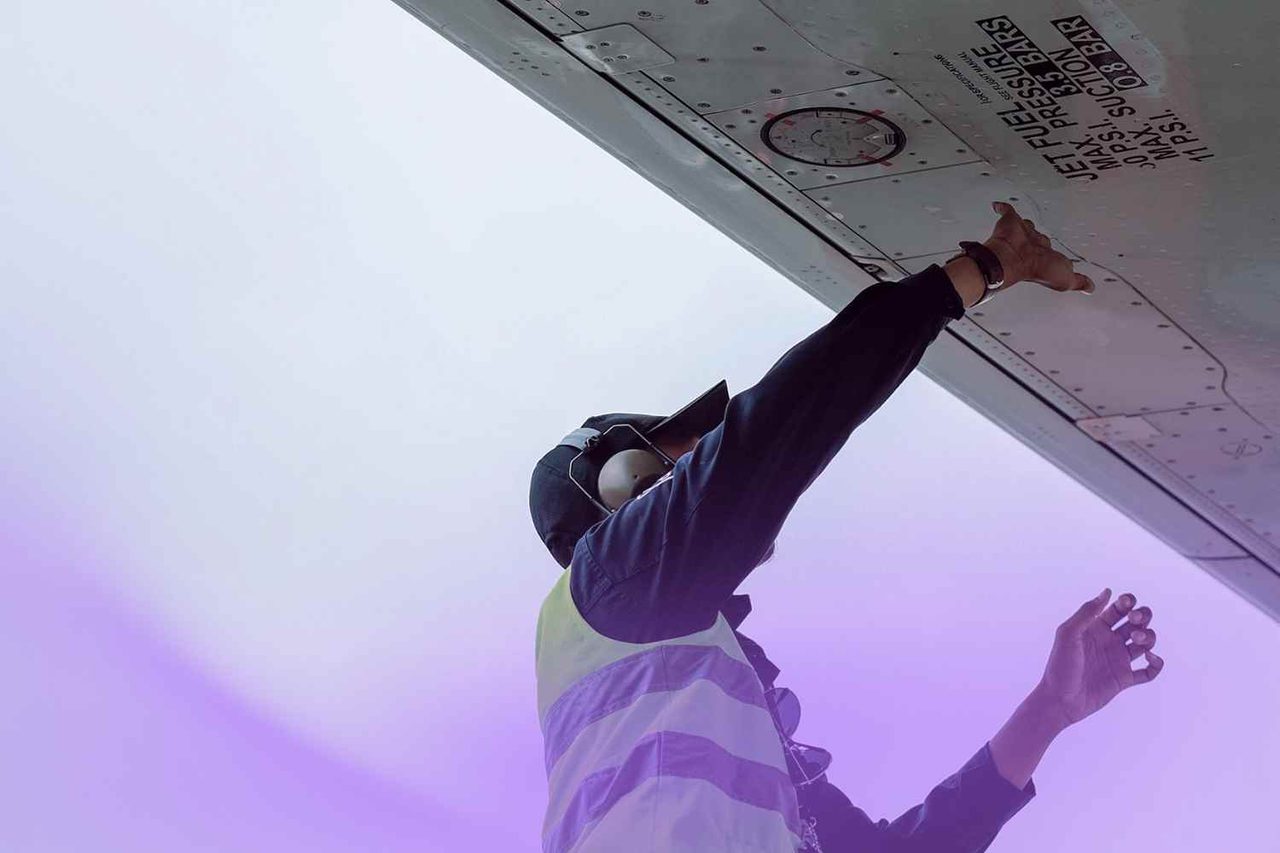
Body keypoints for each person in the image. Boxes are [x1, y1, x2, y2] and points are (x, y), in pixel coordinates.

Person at [528, 202, 1165, 852]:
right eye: (688, 451)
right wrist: (985, 268)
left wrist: (1048, 711)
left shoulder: (699, 691)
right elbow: (789, 416)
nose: (705, 459)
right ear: (624, 486)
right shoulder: (610, 579)